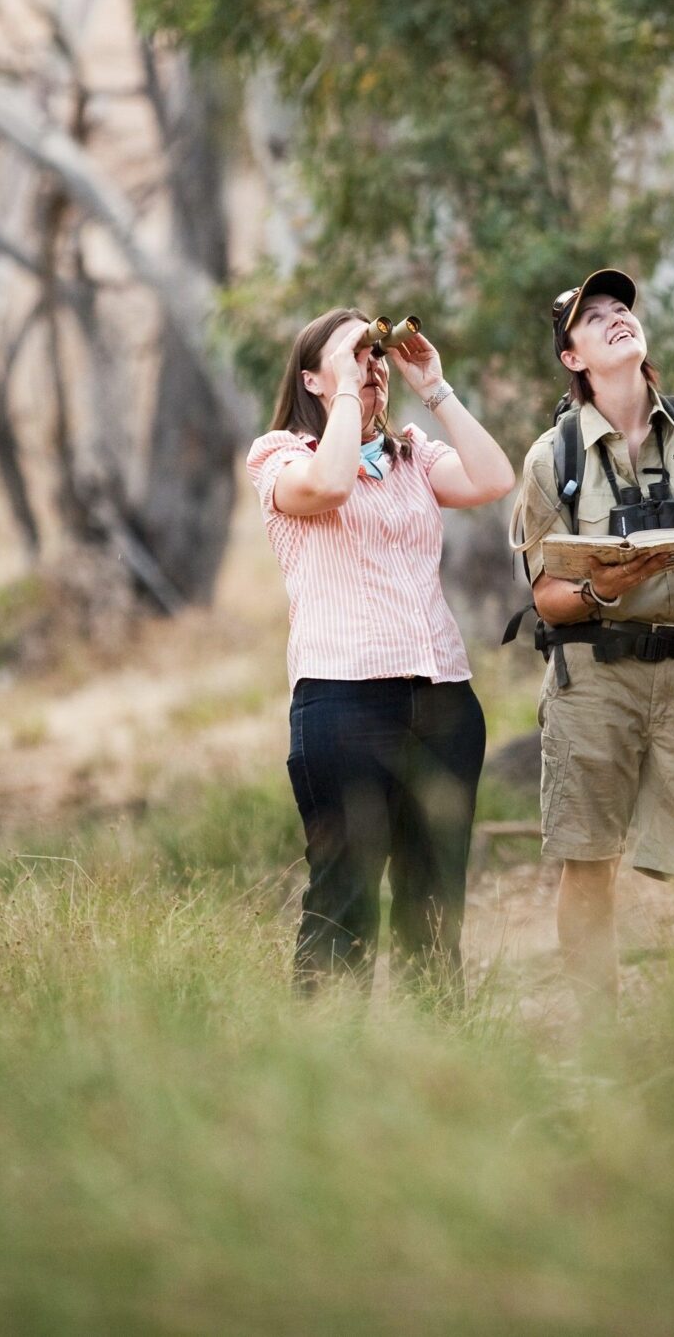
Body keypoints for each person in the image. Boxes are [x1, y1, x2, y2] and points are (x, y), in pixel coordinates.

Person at [509, 269, 674, 1011]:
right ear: (573, 358)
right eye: (594, 318)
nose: (616, 318)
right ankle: (599, 1034)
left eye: (622, 307)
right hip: (593, 678)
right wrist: (604, 588)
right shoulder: (550, 457)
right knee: (587, 856)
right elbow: (547, 597)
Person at [246, 308, 518, 990]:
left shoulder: (412, 456)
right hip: (342, 702)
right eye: (356, 353)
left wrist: (434, 386)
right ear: (312, 376)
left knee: (434, 908)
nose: (372, 366)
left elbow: (493, 479)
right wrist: (344, 390)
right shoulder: (280, 458)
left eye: (375, 355)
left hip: (443, 701)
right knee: (346, 904)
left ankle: (436, 1069)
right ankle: (328, 1072)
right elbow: (331, 487)